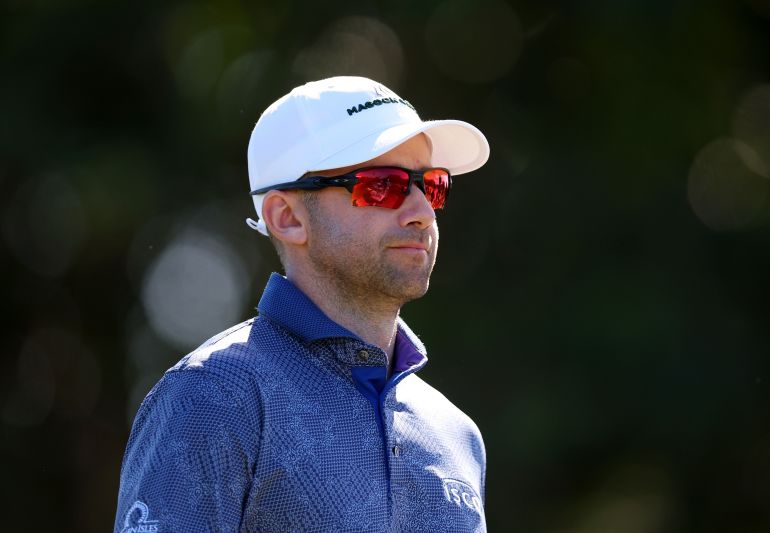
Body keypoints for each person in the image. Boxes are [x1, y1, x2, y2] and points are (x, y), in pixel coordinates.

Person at [114, 76, 490, 532]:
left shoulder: (458, 434)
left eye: (431, 186)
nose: (423, 213)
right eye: (382, 186)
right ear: (287, 218)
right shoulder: (210, 397)